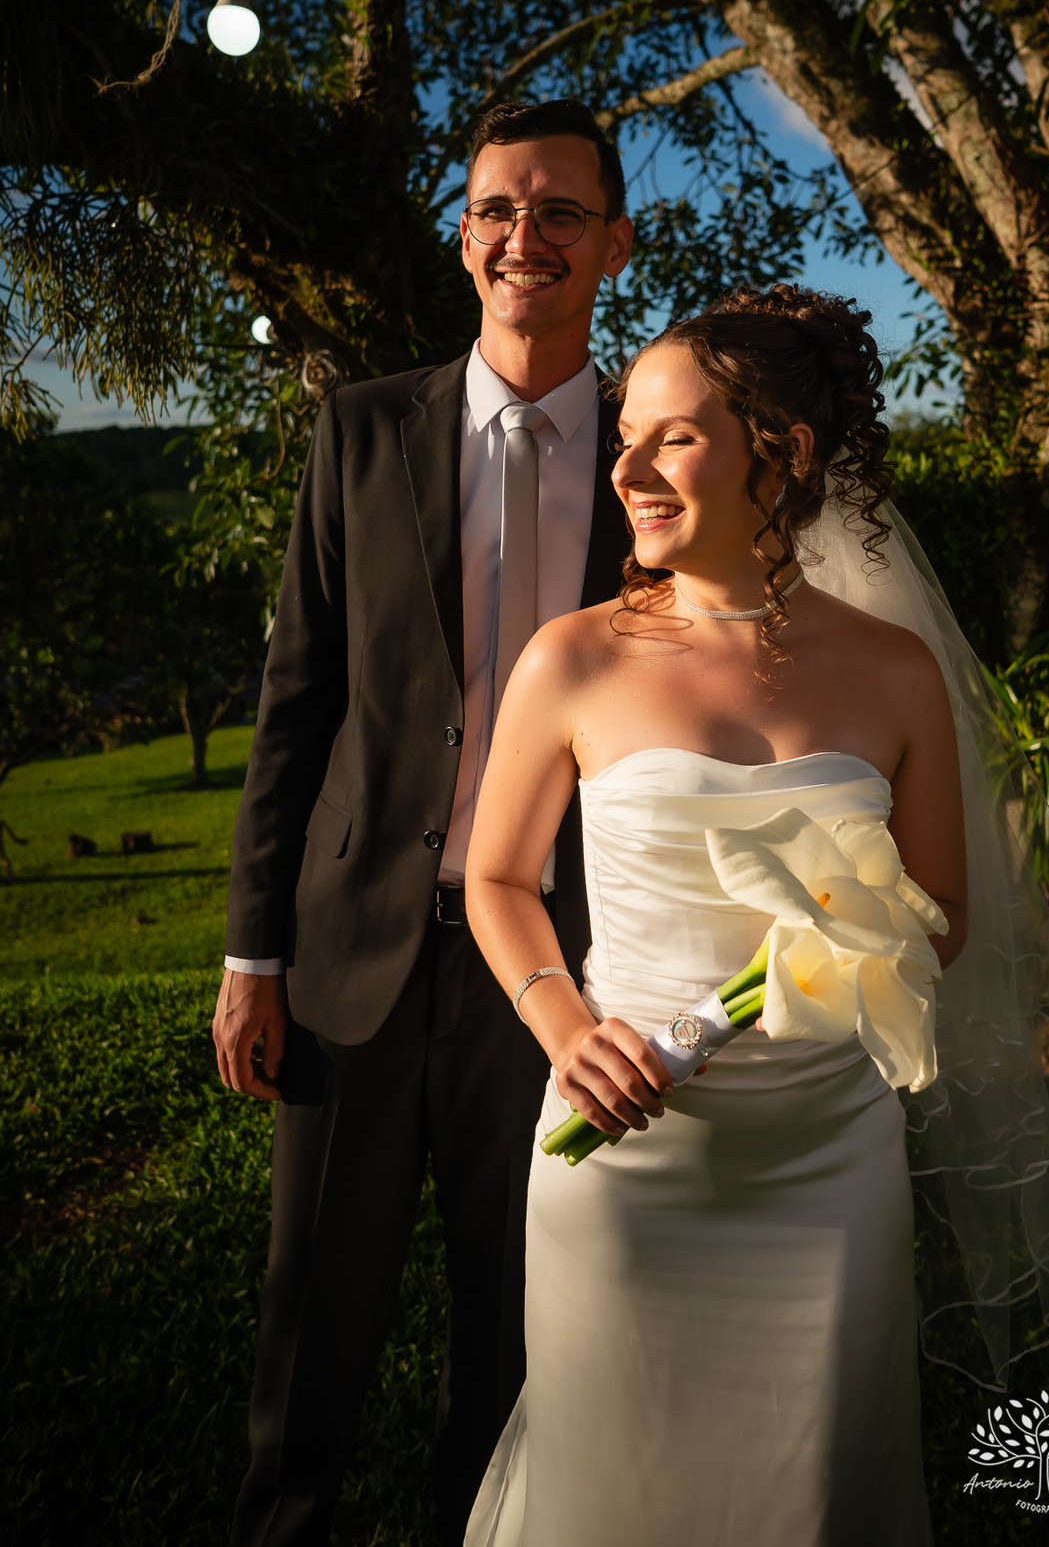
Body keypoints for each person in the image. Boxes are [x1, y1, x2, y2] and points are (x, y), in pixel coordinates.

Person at [463, 284, 962, 1544]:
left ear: (781, 453)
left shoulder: (896, 670)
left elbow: (942, 915)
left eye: (670, 436)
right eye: (626, 433)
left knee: (815, 1483)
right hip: (627, 1151)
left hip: (827, 1161)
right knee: (615, 1480)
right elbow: (499, 879)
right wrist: (567, 1030)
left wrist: (828, 950)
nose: (626, 463)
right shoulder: (571, 658)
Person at [211, 97, 634, 1547]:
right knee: (312, 1310)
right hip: (352, 953)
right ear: (464, 238)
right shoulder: (362, 426)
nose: (528, 236)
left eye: (561, 210)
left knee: (516, 1314)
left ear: (615, 242)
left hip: (564, 965)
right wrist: (251, 954)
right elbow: (297, 699)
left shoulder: (667, 455)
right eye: (498, 208)